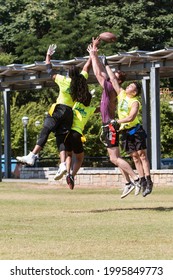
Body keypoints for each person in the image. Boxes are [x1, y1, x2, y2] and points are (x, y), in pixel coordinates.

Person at [16, 44, 92, 180]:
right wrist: (92, 55)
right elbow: (86, 68)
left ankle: (32, 155)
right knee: (60, 138)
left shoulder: (64, 80)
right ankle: (62, 164)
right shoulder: (81, 82)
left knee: (45, 129)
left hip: (59, 108)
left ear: (69, 74)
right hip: (69, 113)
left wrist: (48, 56)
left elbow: (49, 70)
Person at [87, 40, 141, 199]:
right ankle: (127, 182)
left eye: (113, 77)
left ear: (118, 81)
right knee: (116, 158)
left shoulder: (110, 87)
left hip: (110, 126)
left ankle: (135, 179)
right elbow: (101, 73)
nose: (109, 78)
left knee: (114, 158)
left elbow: (98, 73)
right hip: (108, 125)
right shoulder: (110, 88)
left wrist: (93, 55)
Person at [104, 57, 153, 197]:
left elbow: (131, 117)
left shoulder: (135, 102)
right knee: (135, 158)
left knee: (142, 156)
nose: (128, 87)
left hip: (135, 130)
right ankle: (142, 180)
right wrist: (107, 65)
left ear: (135, 92)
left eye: (132, 86)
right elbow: (113, 80)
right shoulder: (121, 95)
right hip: (126, 133)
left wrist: (116, 121)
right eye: (129, 85)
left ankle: (148, 181)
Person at [60, 86, 97, 190]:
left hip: (67, 133)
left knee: (69, 155)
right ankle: (72, 175)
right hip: (77, 133)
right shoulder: (89, 109)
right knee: (80, 158)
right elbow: (100, 109)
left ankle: (67, 172)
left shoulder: (75, 104)